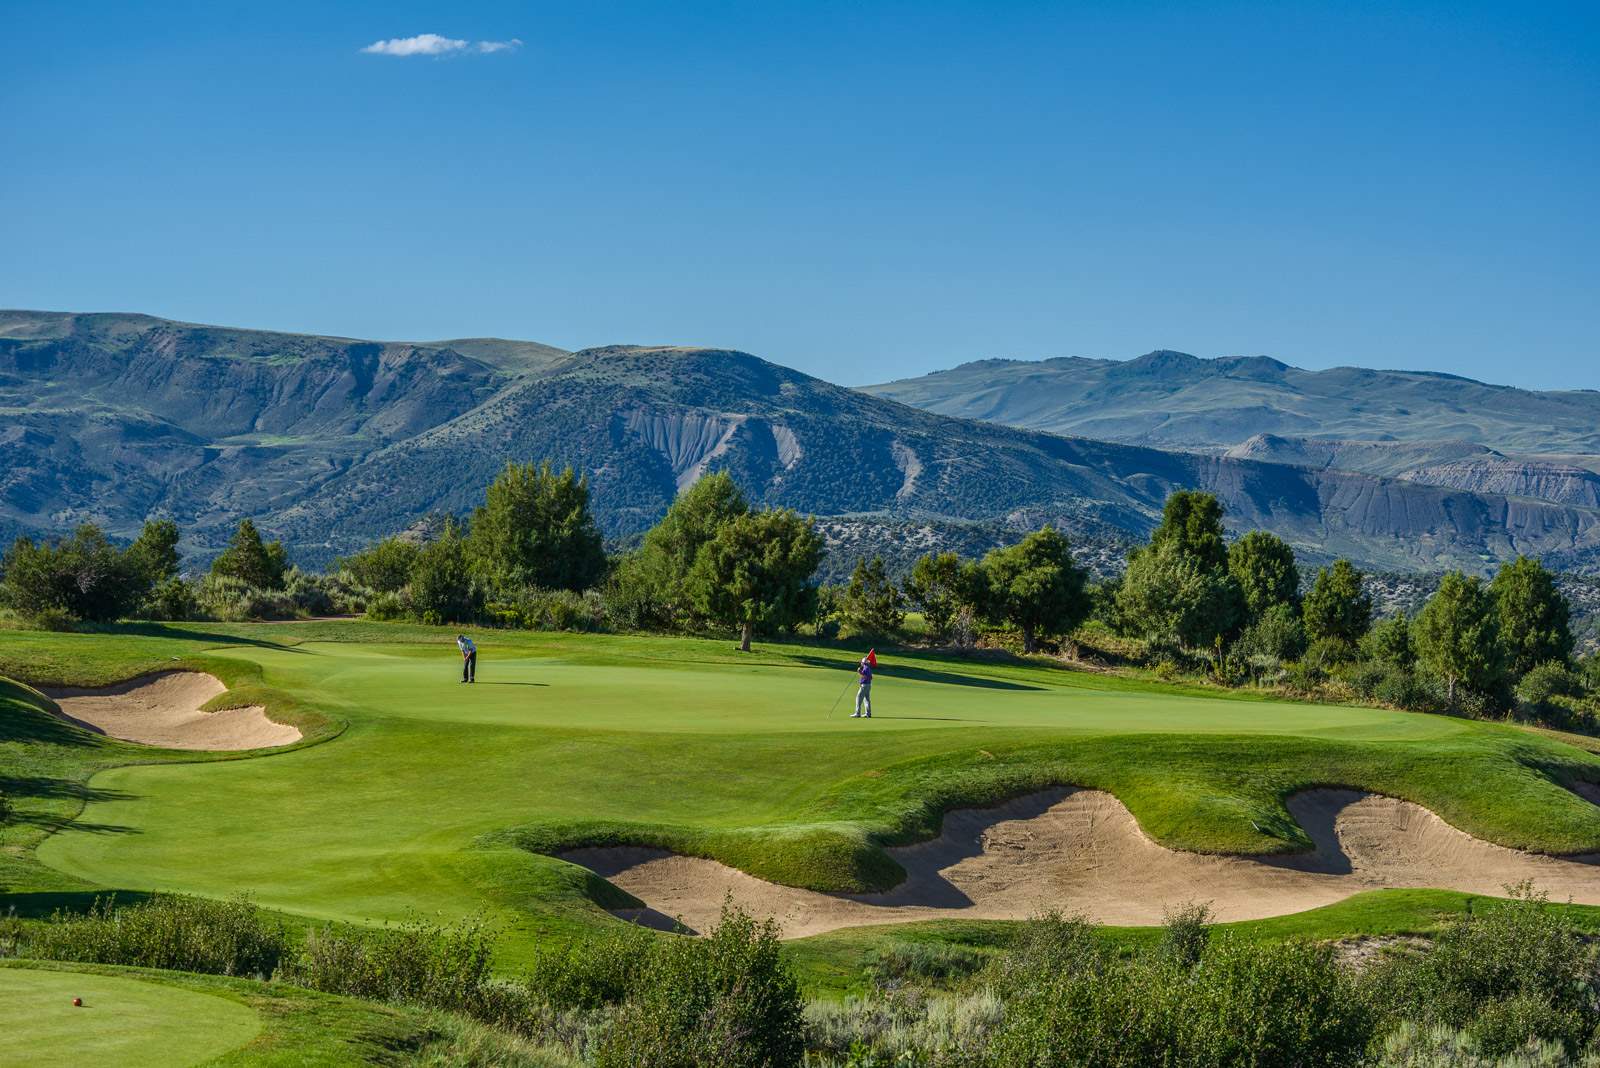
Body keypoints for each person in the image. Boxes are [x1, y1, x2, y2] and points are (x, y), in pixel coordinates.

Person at [850, 651, 874, 718]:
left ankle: (857, 713)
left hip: (865, 685)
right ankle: (868, 714)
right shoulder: (867, 668)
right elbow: (870, 677)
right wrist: (861, 671)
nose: (861, 663)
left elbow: (866, 676)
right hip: (868, 685)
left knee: (858, 698)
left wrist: (859, 671)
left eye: (862, 662)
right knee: (866, 699)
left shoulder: (866, 668)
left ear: (863, 663)